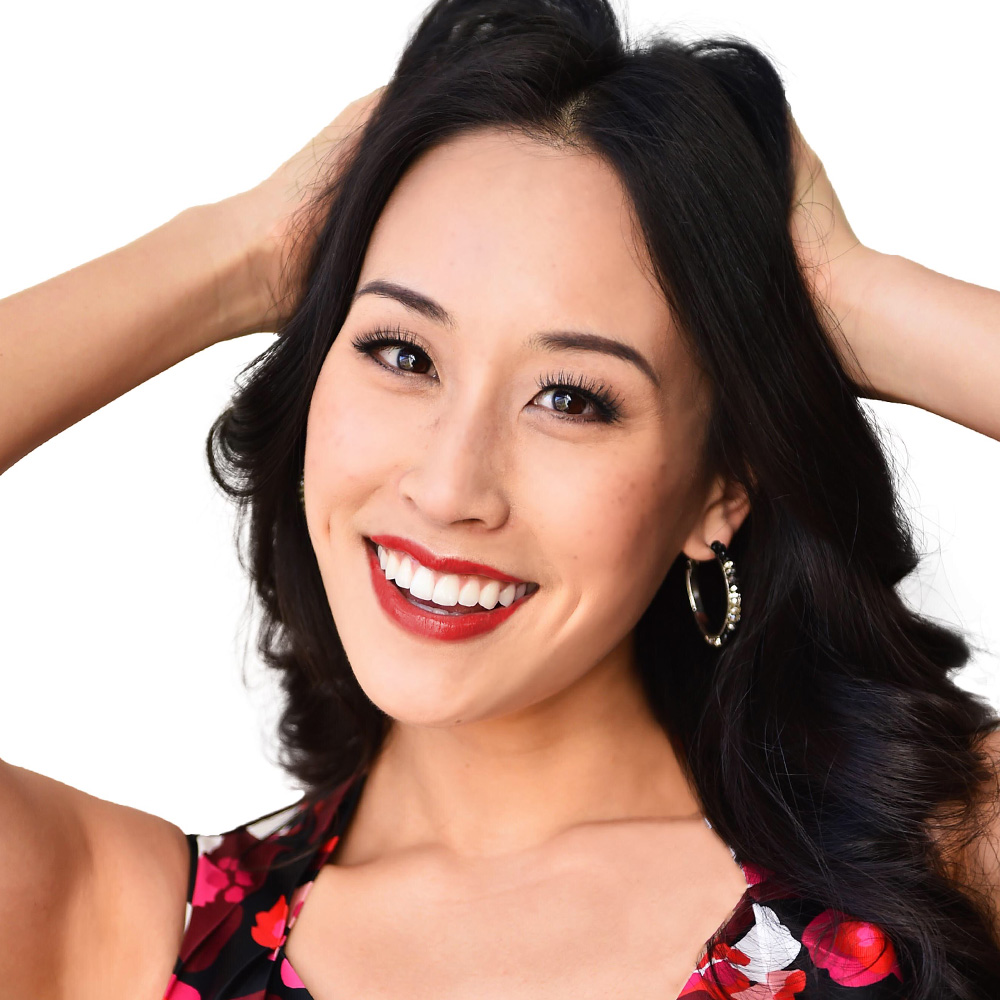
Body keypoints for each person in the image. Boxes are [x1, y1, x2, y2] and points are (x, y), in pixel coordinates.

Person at [2, 0, 999, 997]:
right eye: (403, 353)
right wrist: (237, 254)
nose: (448, 489)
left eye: (570, 399)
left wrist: (850, 297)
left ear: (720, 486)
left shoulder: (935, 868)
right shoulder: (124, 930)